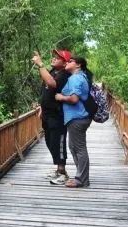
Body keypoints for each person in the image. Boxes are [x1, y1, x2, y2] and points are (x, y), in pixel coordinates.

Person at [32, 49, 71, 184]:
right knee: (50, 142)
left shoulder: (65, 75)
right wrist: (41, 107)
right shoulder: (53, 72)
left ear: (65, 63)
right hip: (47, 114)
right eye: (54, 57)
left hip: (57, 115)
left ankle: (62, 172)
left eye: (58, 58)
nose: (54, 59)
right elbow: (45, 90)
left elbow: (52, 84)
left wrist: (41, 65)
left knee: (58, 142)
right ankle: (58, 170)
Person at [55, 56, 92, 188]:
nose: (67, 62)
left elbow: (74, 99)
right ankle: (80, 177)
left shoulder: (76, 78)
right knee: (73, 147)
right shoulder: (78, 77)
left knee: (79, 148)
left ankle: (81, 180)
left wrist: (60, 97)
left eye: (70, 61)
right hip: (76, 118)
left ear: (78, 65)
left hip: (78, 117)